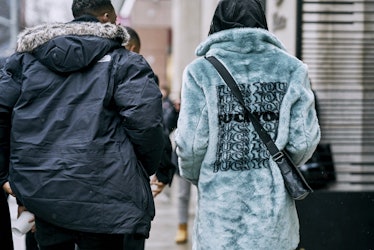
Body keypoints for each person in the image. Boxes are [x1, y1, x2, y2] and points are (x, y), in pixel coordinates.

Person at [0, 1, 164, 250]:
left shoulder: (25, 62)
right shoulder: (126, 63)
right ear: (107, 17)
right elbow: (147, 124)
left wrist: (5, 174)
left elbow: (2, 114)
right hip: (107, 194)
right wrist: (141, 168)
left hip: (44, 192)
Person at [174, 0, 321, 249]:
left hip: (220, 216)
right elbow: (303, 141)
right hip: (272, 218)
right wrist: (274, 168)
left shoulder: (200, 72)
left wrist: (206, 176)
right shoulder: (292, 69)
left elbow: (190, 147)